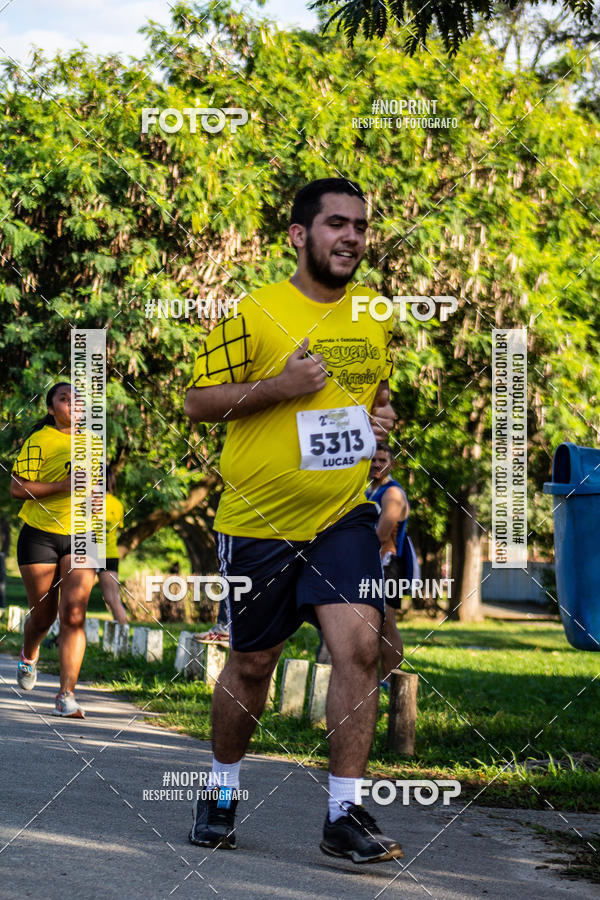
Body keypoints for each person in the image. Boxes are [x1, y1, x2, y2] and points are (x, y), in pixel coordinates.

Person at [184, 177, 403, 863]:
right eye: (337, 224)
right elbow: (196, 401)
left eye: (361, 227)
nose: (351, 237)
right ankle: (220, 790)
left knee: (363, 649)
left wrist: (381, 425)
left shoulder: (373, 314)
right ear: (298, 236)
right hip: (258, 521)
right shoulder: (253, 312)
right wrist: (279, 386)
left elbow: (375, 392)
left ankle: (344, 813)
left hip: (343, 516)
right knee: (252, 664)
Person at [10, 382, 97, 718]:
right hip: (40, 536)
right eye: (64, 399)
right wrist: (62, 486)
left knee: (74, 615)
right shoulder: (40, 440)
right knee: (43, 616)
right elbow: (17, 488)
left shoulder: (92, 442)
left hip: (82, 535)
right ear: (51, 409)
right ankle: (29, 654)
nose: (72, 404)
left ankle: (66, 695)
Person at [365, 442, 411, 686]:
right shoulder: (368, 490)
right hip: (368, 563)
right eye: (373, 460)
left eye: (382, 460)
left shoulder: (392, 494)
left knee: (386, 623)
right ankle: (373, 678)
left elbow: (381, 535)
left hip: (388, 565)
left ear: (391, 464)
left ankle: (391, 679)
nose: (377, 465)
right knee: (370, 623)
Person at [96, 466, 127, 625]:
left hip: (90, 553)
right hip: (110, 553)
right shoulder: (117, 504)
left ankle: (62, 638)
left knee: (74, 598)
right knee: (113, 598)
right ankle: (124, 639)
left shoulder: (88, 501)